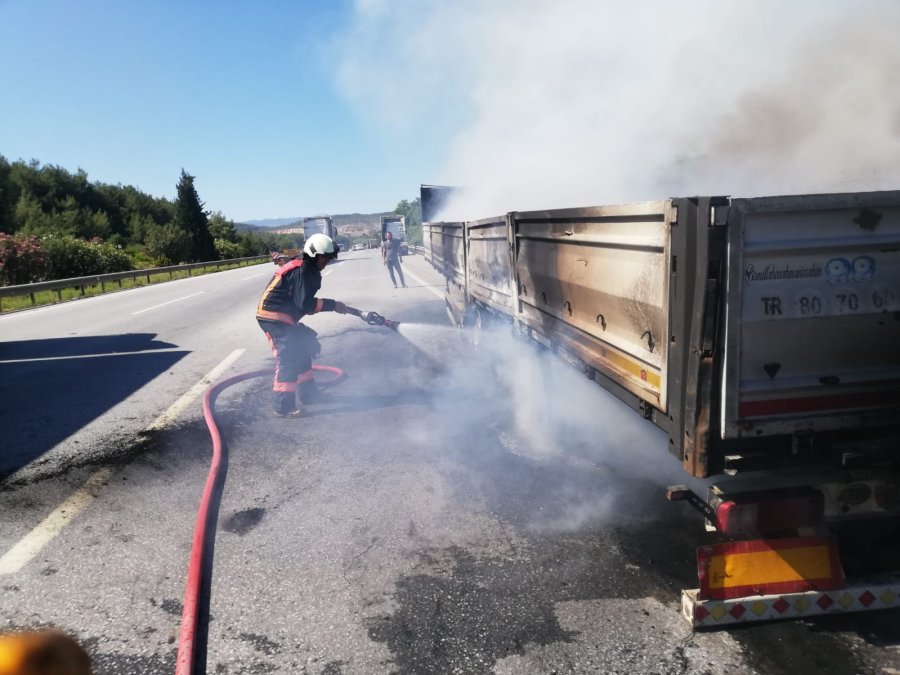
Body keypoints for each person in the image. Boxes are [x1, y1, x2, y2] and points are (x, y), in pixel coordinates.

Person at [256, 233, 348, 417]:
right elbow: (305, 304)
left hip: (285, 317)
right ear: (314, 255)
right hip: (273, 317)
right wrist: (332, 305)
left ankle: (309, 394)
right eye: (324, 257)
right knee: (289, 357)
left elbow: (301, 302)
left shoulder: (306, 268)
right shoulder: (302, 271)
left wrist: (332, 305)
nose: (327, 261)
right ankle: (282, 407)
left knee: (302, 348)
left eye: (329, 258)